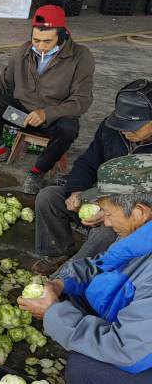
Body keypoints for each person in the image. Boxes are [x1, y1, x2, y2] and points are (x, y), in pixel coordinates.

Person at [19, 154, 152, 384]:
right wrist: (61, 284)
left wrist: (54, 313)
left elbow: (125, 349)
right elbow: (102, 267)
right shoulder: (139, 236)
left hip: (141, 353)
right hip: (141, 337)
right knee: (78, 297)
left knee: (83, 371)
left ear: (139, 211)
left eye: (110, 213)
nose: (105, 223)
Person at [0, 5, 95, 195]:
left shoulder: (80, 57)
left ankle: (38, 172)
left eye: (47, 41)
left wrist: (47, 113)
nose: (40, 46)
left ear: (62, 35)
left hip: (52, 120)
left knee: (68, 129)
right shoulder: (24, 51)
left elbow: (82, 100)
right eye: (36, 40)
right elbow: (3, 82)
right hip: (19, 116)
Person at [32, 79, 152, 275]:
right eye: (121, 123)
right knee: (49, 197)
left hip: (134, 214)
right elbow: (88, 162)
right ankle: (58, 254)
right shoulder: (110, 129)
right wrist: (77, 191)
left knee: (104, 232)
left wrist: (107, 210)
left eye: (134, 127)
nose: (124, 130)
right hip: (101, 197)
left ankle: (66, 280)